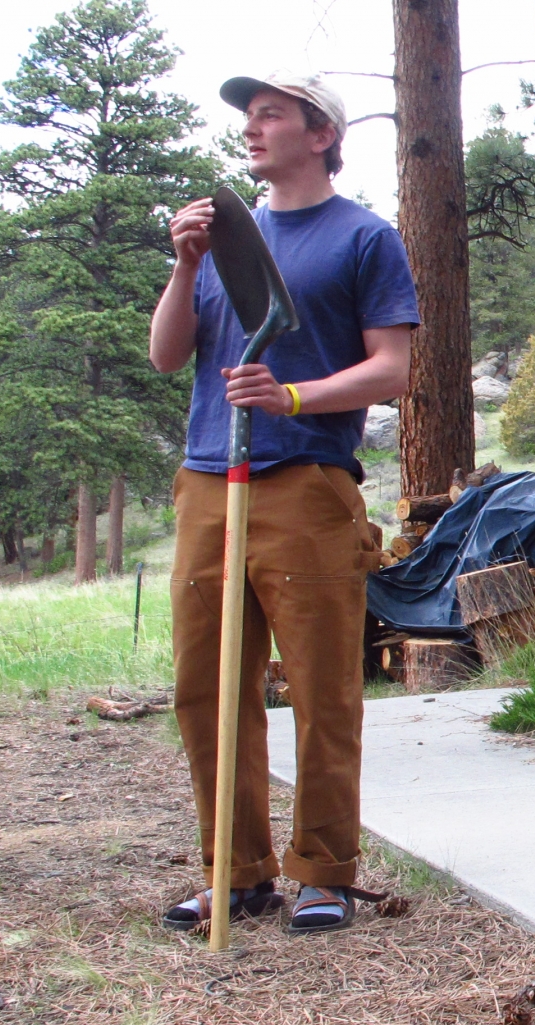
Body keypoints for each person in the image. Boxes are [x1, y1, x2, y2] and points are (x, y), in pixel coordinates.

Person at [148, 72, 419, 935]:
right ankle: (237, 872)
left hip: (307, 487)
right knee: (207, 687)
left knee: (322, 690)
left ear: (321, 134)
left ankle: (325, 872)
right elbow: (166, 356)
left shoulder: (366, 239)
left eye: (271, 115)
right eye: (248, 117)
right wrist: (185, 263)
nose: (253, 129)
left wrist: (294, 397)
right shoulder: (225, 241)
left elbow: (393, 370)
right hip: (206, 481)